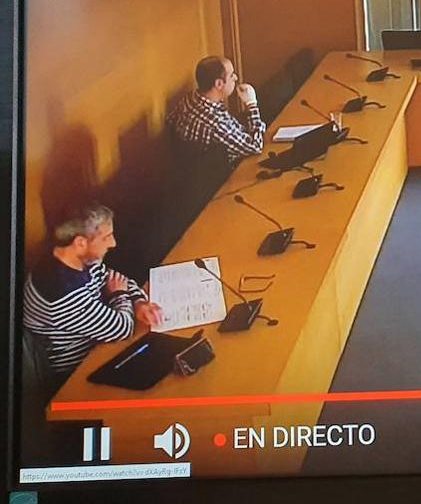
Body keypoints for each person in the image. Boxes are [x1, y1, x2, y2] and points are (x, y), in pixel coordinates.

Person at [23, 204, 163, 380]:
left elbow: (117, 280)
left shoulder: (75, 257)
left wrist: (138, 302)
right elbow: (123, 328)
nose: (113, 243)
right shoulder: (61, 292)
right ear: (80, 242)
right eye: (107, 237)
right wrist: (119, 295)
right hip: (77, 370)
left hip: (100, 340)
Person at [167, 55, 265, 165]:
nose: (236, 78)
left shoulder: (191, 98)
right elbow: (256, 146)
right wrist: (251, 104)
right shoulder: (216, 125)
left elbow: (170, 120)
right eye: (231, 75)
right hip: (227, 170)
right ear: (218, 84)